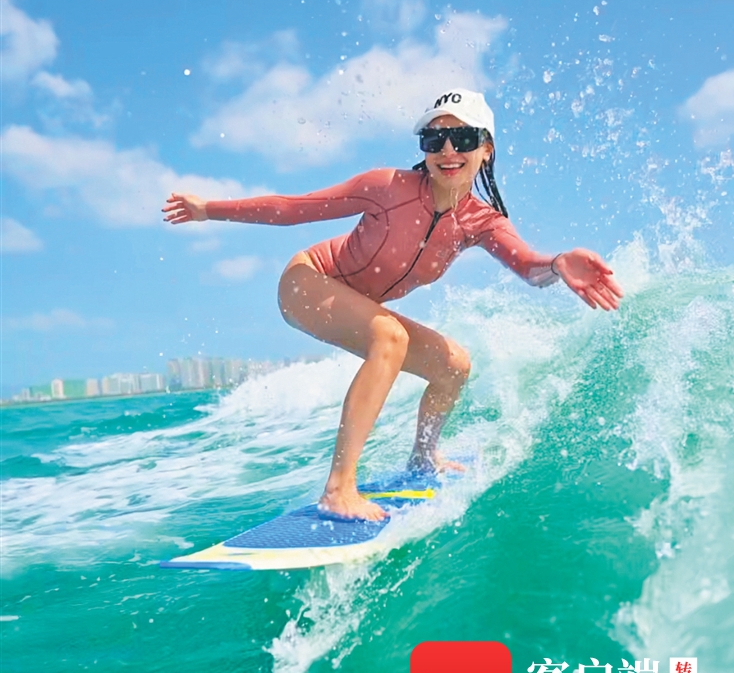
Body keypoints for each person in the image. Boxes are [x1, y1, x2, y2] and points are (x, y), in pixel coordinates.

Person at [163, 89, 623, 521]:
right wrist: (208, 209)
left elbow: (528, 266)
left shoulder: (481, 222)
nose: (448, 150)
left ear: (486, 149)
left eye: (463, 138)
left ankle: (424, 457)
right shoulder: (388, 187)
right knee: (390, 335)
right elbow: (293, 208)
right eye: (434, 139)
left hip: (356, 302)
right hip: (306, 281)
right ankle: (338, 488)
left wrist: (558, 263)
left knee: (454, 365)